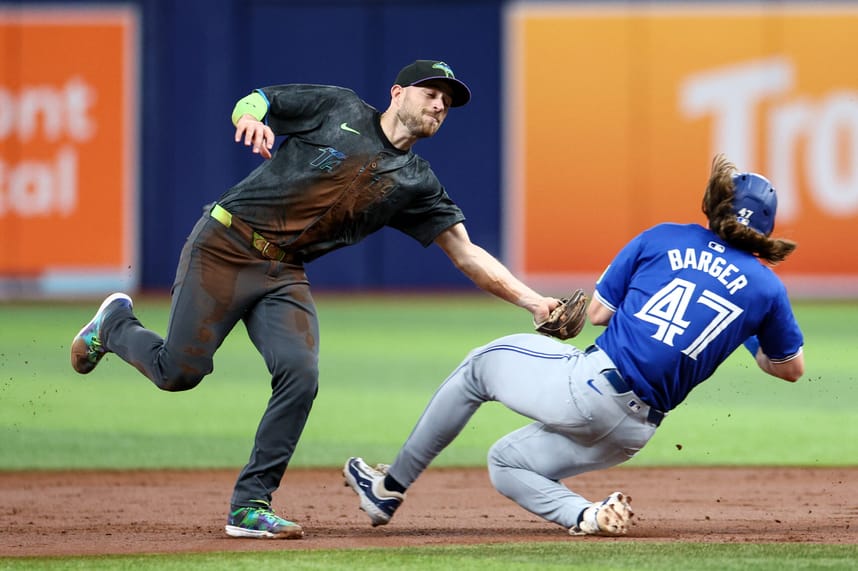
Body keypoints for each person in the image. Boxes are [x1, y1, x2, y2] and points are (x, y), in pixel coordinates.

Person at [69, 60, 559, 540]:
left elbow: (466, 252)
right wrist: (248, 117)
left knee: (300, 375)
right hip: (224, 245)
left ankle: (250, 505)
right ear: (397, 93)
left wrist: (533, 302)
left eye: (447, 102)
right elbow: (261, 99)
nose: (439, 104)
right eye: (430, 92)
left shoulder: (415, 182)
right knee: (179, 373)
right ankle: (113, 326)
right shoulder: (337, 106)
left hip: (283, 272)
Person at [344, 154, 805, 536]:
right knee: (506, 462)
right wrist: (742, 326)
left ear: (717, 204)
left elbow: (599, 315)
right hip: (632, 433)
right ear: (765, 228)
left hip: (590, 388)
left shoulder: (666, 237)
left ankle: (390, 485)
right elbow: (789, 368)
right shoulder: (765, 290)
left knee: (480, 366)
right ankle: (587, 514)